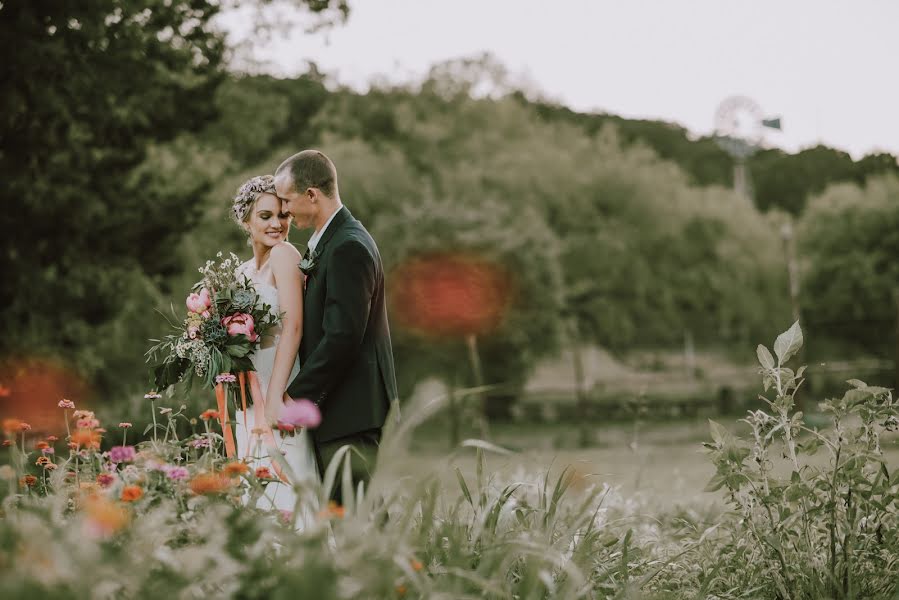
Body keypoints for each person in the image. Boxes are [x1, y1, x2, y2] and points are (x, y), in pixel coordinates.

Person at [274, 150, 398, 505]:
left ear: (312, 194)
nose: (284, 211)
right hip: (343, 408)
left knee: (356, 516)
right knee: (349, 513)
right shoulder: (334, 241)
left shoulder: (348, 247)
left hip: (350, 410)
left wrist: (295, 397)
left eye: (286, 200)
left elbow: (342, 336)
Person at [229, 175, 318, 521]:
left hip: (278, 389)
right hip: (248, 395)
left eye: (283, 215)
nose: (277, 224)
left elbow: (294, 327)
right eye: (265, 216)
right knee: (254, 481)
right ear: (246, 221)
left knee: (286, 478)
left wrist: (277, 398)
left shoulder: (285, 255)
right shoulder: (242, 271)